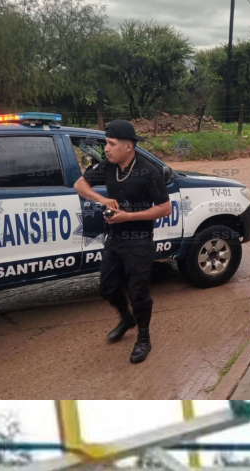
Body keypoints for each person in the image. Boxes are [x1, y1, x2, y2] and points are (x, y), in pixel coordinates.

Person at [73, 119, 173, 365]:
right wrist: (103, 200)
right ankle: (126, 319)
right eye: (106, 143)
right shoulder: (108, 165)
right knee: (107, 288)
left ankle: (144, 338)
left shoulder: (148, 172)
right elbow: (79, 184)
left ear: (128, 146)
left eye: (111, 144)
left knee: (139, 293)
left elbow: (165, 208)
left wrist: (130, 216)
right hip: (115, 238)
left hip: (139, 241)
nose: (105, 148)